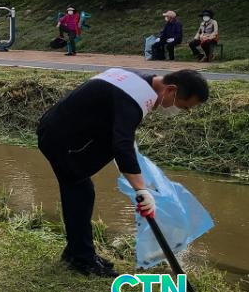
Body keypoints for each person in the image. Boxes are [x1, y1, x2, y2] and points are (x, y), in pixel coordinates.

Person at [37, 68, 209, 277]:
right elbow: (122, 145)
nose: (180, 111)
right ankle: (81, 258)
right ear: (171, 90)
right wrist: (141, 190)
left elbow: (120, 135)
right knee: (80, 191)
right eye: (183, 106)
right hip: (59, 138)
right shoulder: (135, 96)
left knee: (80, 191)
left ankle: (78, 253)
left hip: (61, 128)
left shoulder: (141, 81)